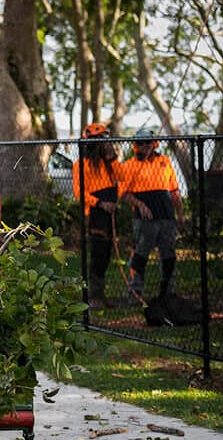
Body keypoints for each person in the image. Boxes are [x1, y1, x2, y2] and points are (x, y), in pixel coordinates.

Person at [119, 128, 185, 303]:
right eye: (140, 143)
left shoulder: (165, 161)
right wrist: (140, 205)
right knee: (140, 254)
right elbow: (124, 194)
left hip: (167, 216)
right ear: (135, 146)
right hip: (144, 220)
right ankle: (134, 293)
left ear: (154, 143)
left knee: (168, 254)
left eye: (148, 142)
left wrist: (180, 214)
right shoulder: (129, 165)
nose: (145, 146)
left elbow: (175, 191)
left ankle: (167, 292)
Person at [73, 122, 119, 309]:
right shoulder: (80, 165)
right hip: (94, 213)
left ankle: (101, 293)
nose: (102, 144)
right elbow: (79, 192)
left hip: (109, 213)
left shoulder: (108, 164)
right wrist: (100, 203)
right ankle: (92, 295)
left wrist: (113, 158)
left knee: (106, 254)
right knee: (97, 254)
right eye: (98, 141)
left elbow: (122, 178)